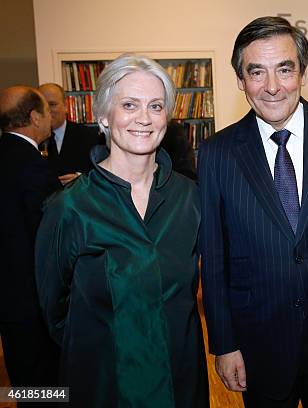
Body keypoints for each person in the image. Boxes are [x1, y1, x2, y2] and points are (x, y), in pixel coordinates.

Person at [198, 16, 308, 408]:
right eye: (257, 72)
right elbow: (213, 258)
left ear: (302, 73)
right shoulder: (217, 153)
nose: (272, 86)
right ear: (240, 80)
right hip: (258, 344)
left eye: (285, 69)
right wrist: (223, 343)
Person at [35, 54, 209, 407]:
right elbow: (54, 313)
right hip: (103, 385)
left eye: (155, 106)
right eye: (129, 105)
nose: (144, 118)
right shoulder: (68, 208)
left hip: (180, 382)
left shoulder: (190, 199)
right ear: (103, 115)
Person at [0, 86, 61, 394]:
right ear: (35, 117)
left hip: (9, 304)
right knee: (47, 387)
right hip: (35, 305)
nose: (51, 118)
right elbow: (49, 240)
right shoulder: (33, 166)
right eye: (48, 112)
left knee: (25, 386)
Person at [38, 83, 105, 185]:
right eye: (43, 106)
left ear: (65, 106)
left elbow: (104, 174)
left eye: (52, 104)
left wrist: (81, 179)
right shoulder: (32, 140)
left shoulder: (90, 136)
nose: (47, 111)